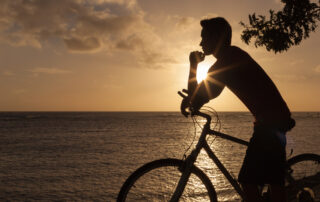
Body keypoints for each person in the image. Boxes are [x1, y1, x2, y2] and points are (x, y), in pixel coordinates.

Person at [180, 17, 295, 202]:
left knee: (248, 182)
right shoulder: (231, 55)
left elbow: (200, 96)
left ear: (217, 37)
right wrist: (192, 99)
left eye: (204, 37)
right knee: (275, 182)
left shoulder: (228, 60)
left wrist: (193, 65)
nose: (200, 42)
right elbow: (200, 95)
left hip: (269, 122)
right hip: (274, 118)